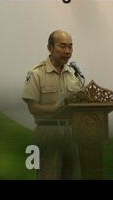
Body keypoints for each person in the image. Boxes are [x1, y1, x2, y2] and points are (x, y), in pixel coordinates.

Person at [22, 30, 84, 179]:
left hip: (71, 133)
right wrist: (55, 109)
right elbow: (32, 108)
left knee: (70, 175)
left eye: (70, 47)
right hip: (48, 132)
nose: (67, 51)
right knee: (47, 175)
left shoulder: (74, 74)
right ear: (50, 48)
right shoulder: (37, 73)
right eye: (62, 46)